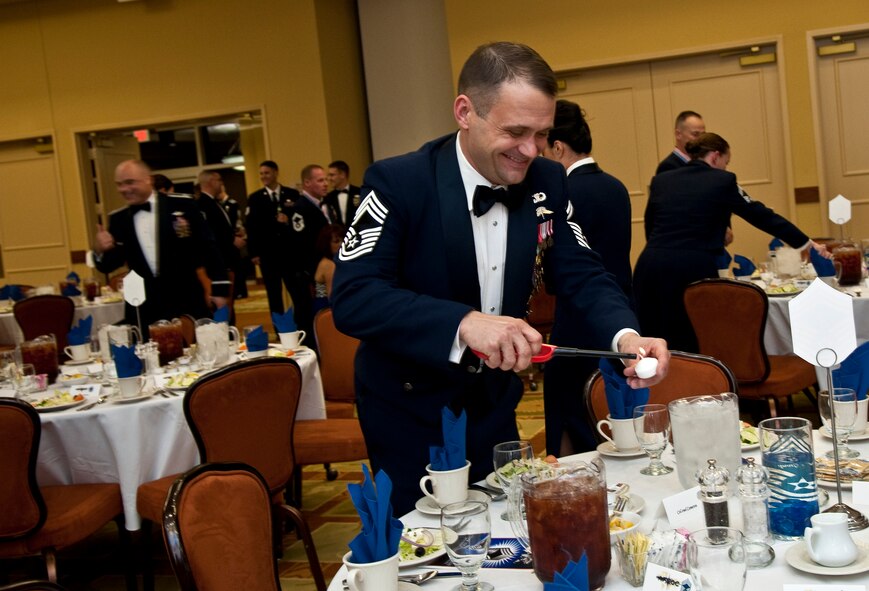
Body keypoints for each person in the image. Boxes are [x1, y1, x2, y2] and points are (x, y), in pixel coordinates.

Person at [331, 41, 670, 514]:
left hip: (494, 404)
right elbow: (353, 295)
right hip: (409, 409)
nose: (530, 150)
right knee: (427, 552)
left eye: (542, 134)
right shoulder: (400, 182)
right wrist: (463, 323)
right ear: (465, 111)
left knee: (506, 534)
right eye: (515, 131)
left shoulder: (548, 180)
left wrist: (626, 334)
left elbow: (582, 271)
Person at [634, 132, 830, 352]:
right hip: (692, 267)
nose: (725, 168)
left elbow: (650, 224)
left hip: (650, 265)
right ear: (716, 157)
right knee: (693, 338)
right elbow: (760, 215)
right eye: (726, 163)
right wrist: (805, 243)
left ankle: (653, 386)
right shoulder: (722, 180)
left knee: (653, 337)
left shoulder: (662, 180)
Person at [540, 99, 635, 456]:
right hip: (620, 313)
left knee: (569, 409)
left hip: (578, 317)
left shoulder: (565, 192)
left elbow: (561, 266)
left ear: (558, 147)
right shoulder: (615, 186)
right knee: (611, 409)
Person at [93, 160, 229, 336]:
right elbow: (109, 265)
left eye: (130, 182)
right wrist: (99, 249)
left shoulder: (182, 205)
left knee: (199, 355)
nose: (123, 189)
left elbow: (209, 248)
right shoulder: (119, 219)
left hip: (186, 298)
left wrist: (219, 289)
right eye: (119, 184)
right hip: (144, 307)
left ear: (148, 180)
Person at [244, 160, 301, 320]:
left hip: (290, 253)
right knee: (274, 294)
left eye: (267, 173)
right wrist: (253, 253)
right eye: (261, 174)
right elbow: (251, 227)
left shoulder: (292, 194)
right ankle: (279, 329)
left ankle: (301, 323)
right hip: (268, 255)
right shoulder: (255, 198)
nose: (264, 176)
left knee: (296, 291)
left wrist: (288, 220)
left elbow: (300, 219)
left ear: (275, 173)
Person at [287, 164, 330, 343]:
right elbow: (302, 245)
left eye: (326, 179)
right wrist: (313, 274)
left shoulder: (322, 206)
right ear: (307, 183)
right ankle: (310, 348)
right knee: (308, 312)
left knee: (321, 308)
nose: (325, 184)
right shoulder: (300, 209)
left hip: (320, 271)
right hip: (308, 275)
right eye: (320, 180)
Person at [196, 170, 243, 318]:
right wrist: (231, 241)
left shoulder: (215, 203)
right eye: (219, 181)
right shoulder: (202, 205)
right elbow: (209, 237)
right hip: (217, 265)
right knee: (222, 308)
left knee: (229, 306)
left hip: (226, 263)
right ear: (211, 182)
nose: (222, 184)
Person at [655, 110, 705, 175]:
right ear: (678, 134)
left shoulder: (702, 163)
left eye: (703, 134)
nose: (701, 139)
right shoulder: (668, 167)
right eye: (695, 134)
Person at [312, 224, 345, 314]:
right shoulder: (328, 265)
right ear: (327, 244)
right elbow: (332, 296)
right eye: (336, 241)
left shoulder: (331, 261)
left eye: (343, 240)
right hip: (327, 309)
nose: (341, 244)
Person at [322, 160, 361, 226]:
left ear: (343, 175)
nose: (329, 178)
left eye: (332, 175)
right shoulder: (327, 198)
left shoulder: (359, 192)